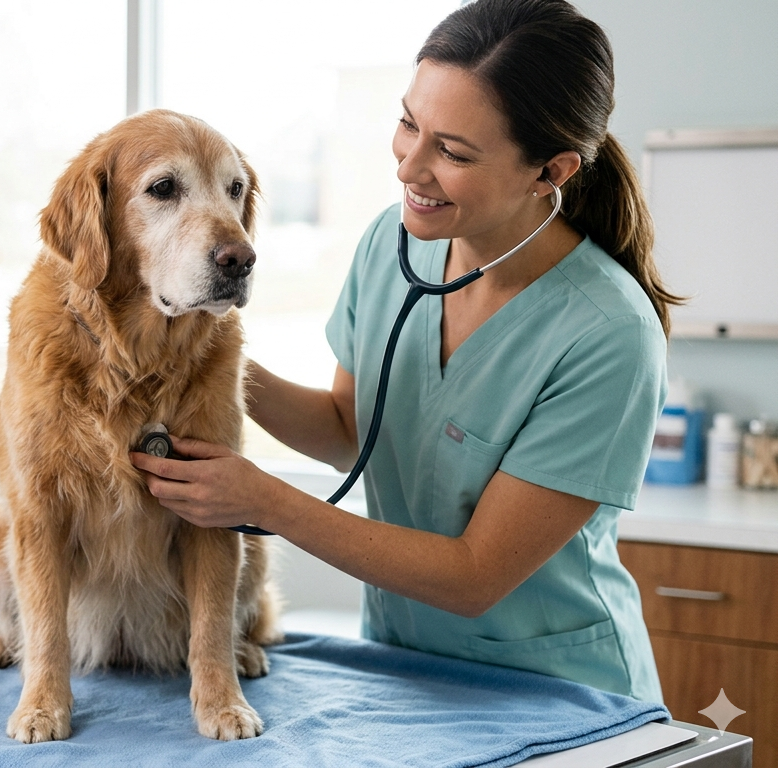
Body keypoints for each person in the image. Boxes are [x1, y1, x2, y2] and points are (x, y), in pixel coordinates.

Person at [130, 0, 682, 704]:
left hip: (560, 693)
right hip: (404, 669)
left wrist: (266, 502)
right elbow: (348, 430)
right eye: (409, 124)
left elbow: (475, 576)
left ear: (551, 171)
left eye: (453, 152)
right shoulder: (392, 245)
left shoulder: (608, 333)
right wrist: (207, 359)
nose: (409, 168)